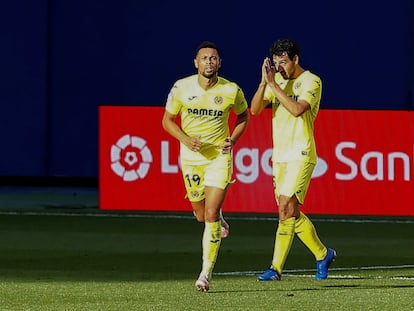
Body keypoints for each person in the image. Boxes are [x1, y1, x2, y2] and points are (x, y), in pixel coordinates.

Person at [162, 41, 249, 291]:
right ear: (196, 63)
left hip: (218, 158)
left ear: (219, 63)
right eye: (205, 58)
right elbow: (167, 120)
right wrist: (186, 139)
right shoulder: (181, 87)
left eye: (213, 58)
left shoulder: (231, 90)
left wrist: (232, 139)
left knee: (209, 214)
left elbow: (243, 116)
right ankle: (218, 218)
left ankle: (205, 273)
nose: (209, 62)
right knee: (201, 216)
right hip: (191, 159)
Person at [250, 38, 336, 281]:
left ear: (295, 59)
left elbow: (298, 109)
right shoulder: (274, 79)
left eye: (284, 62)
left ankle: (275, 268)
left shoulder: (311, 80)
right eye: (276, 63)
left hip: (302, 152)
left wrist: (274, 86)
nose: (280, 68)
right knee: (288, 211)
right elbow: (255, 110)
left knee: (286, 205)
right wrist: (262, 83)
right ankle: (322, 253)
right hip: (280, 156)